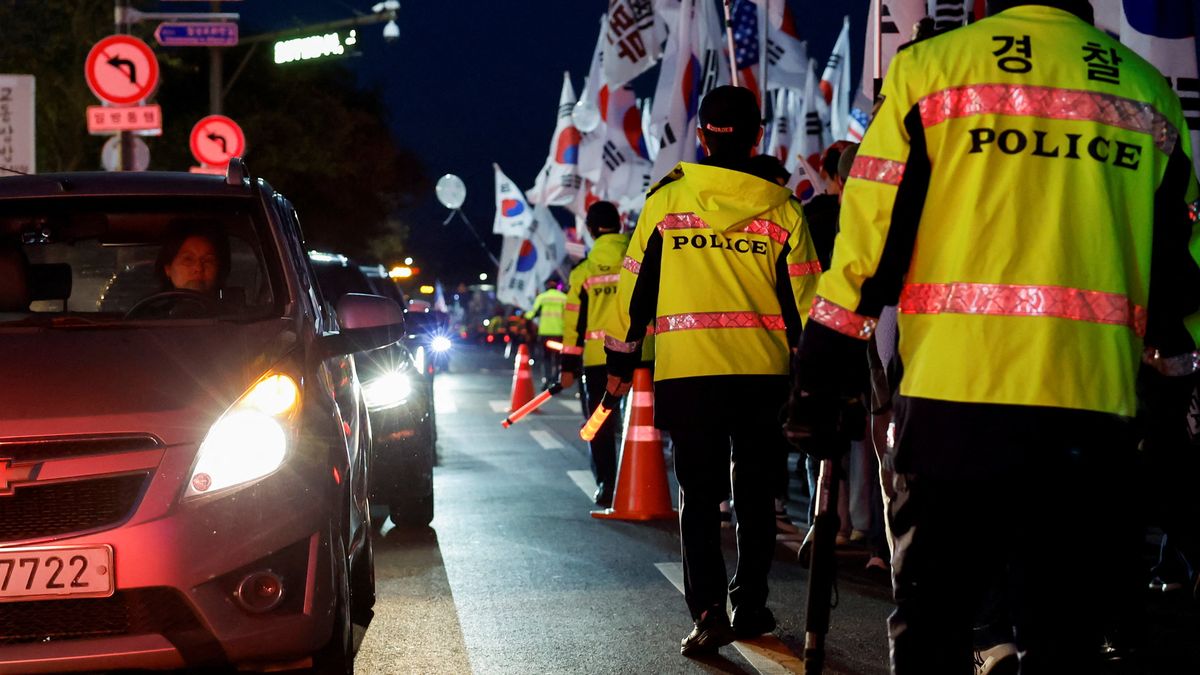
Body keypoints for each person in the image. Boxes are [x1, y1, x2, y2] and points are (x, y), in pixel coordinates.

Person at [786, 1, 1200, 672]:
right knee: (1066, 632)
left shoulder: (930, 71)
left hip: (955, 401)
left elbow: (869, 240)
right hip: (1091, 410)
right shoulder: (1145, 89)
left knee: (935, 621)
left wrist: (821, 369)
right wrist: (1173, 394)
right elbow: (1178, 275)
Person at [604, 85, 821, 656]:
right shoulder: (783, 207)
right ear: (758, 136)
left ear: (701, 135)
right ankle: (749, 604)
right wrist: (817, 379)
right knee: (755, 497)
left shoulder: (666, 201)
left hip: (689, 375)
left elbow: (634, 292)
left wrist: (621, 365)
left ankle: (707, 614)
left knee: (699, 498)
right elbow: (808, 305)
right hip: (763, 378)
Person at [560, 201, 651, 507]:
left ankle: (607, 484)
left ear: (589, 229)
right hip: (648, 354)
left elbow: (574, 323)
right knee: (660, 425)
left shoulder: (582, 273)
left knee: (600, 424)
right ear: (621, 225)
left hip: (600, 361)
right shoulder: (642, 259)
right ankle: (658, 485)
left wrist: (568, 365)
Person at [155, 220, 230, 294]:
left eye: (208, 261)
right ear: (168, 268)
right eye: (188, 259)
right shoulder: (151, 305)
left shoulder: (231, 305)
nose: (198, 268)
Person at [529, 278, 568, 385]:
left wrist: (526, 316)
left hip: (545, 333)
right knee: (558, 358)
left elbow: (532, 313)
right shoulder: (564, 298)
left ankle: (547, 378)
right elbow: (569, 316)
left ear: (547, 286)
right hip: (560, 333)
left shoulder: (542, 297)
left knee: (546, 357)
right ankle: (555, 379)